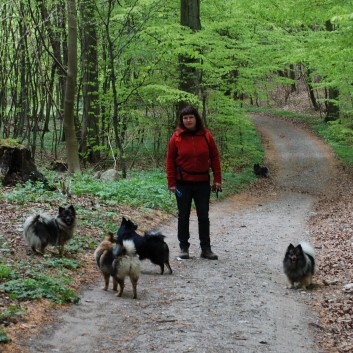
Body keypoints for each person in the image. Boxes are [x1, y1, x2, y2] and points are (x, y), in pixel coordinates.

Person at [166, 105, 222, 260]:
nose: (188, 120)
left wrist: (217, 179)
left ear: (196, 118)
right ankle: (184, 248)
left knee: (203, 216)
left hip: (203, 182)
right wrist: (171, 182)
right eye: (185, 118)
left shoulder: (206, 136)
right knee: (183, 216)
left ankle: (206, 249)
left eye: (191, 117)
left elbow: (215, 157)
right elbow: (170, 161)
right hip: (182, 183)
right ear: (181, 120)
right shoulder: (176, 137)